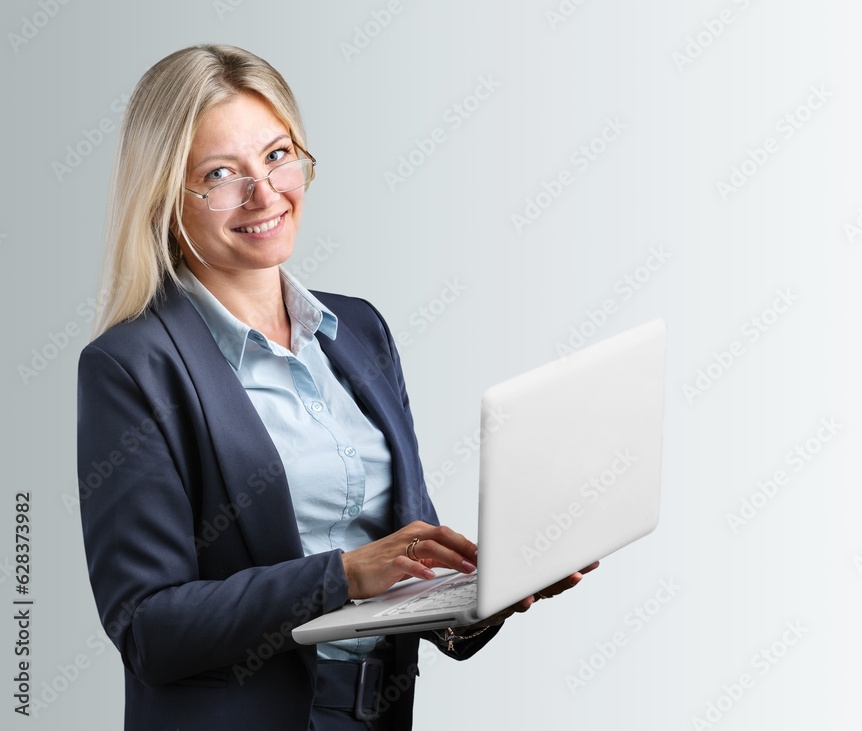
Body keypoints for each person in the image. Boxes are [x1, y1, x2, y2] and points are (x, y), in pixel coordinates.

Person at [77, 44, 595, 731]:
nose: (265, 193)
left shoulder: (359, 331)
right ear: (168, 197)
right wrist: (342, 575)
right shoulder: (133, 364)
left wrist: (489, 589)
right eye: (220, 173)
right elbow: (148, 627)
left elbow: (407, 565)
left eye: (277, 155)